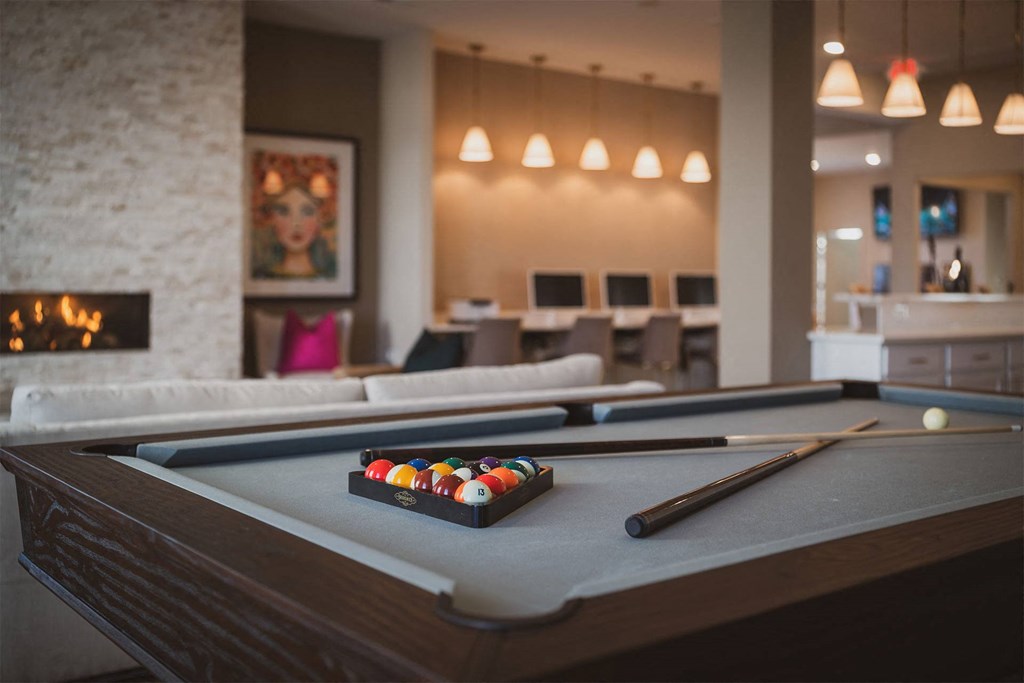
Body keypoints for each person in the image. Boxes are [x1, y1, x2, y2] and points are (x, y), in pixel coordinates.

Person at [255, 183, 336, 279]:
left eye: (307, 212)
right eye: (283, 212)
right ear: (272, 219)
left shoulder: (329, 277)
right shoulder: (261, 277)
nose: (296, 224)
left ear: (320, 219)